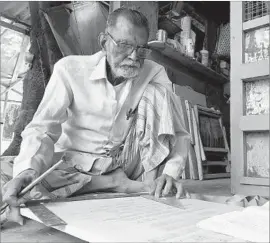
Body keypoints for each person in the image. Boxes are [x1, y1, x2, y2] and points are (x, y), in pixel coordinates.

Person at [1, 8, 190, 225]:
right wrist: (28, 171)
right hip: (72, 162)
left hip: (125, 162)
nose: (133, 57)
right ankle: (115, 184)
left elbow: (178, 132)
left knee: (158, 93)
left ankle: (150, 185)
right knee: (17, 178)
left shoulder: (153, 71)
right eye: (124, 45)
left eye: (141, 49)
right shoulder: (70, 69)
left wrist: (171, 173)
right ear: (104, 42)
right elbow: (42, 128)